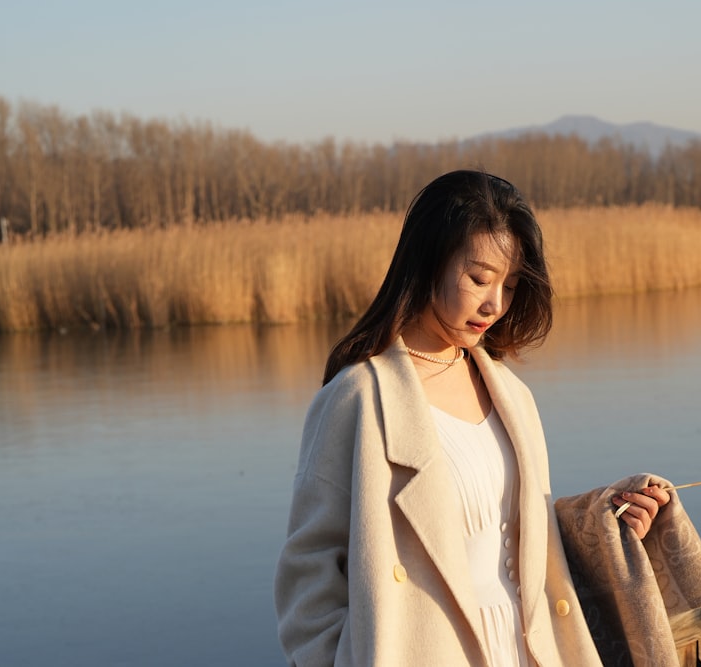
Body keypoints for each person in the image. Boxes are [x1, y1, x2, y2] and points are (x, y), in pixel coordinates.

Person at [274, 170, 671, 666]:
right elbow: (306, 578)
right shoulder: (357, 399)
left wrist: (606, 514)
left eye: (508, 284)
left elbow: (510, 533)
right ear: (428, 262)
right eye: (479, 279)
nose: (495, 304)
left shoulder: (512, 395)